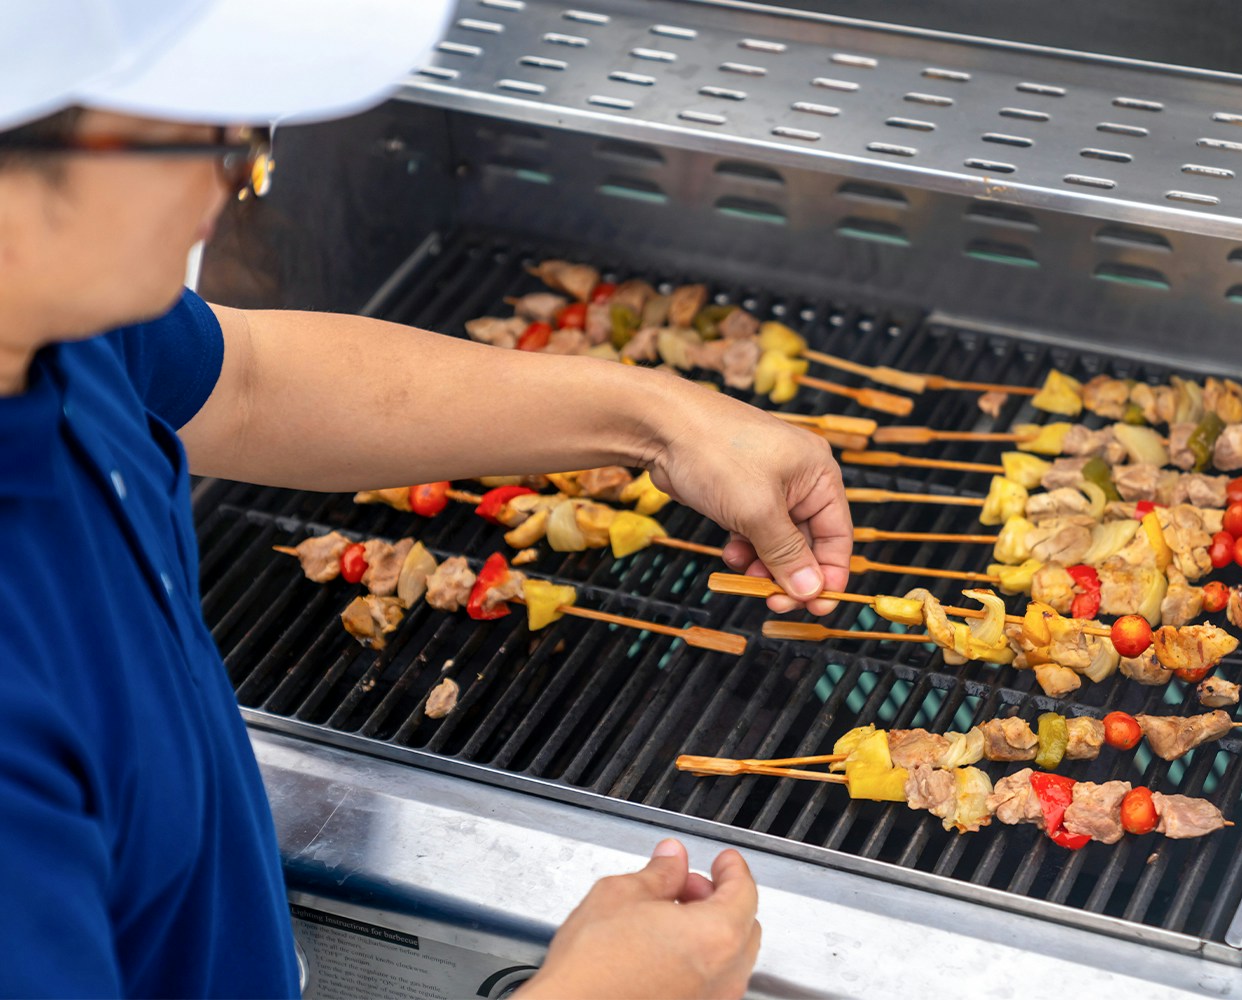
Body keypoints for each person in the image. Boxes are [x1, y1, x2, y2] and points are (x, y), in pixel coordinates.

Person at [0, 1, 851, 996]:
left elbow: (248, 383)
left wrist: (664, 418)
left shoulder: (56, 332)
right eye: (205, 125)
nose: (239, 174)